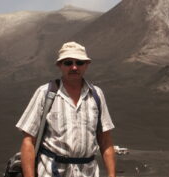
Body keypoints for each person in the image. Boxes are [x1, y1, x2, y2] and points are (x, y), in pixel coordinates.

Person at [16, 42, 116, 177]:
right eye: (68, 62)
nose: (74, 67)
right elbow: (28, 142)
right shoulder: (45, 93)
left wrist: (111, 175)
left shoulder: (96, 95)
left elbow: (105, 140)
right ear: (59, 65)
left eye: (79, 62)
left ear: (87, 64)